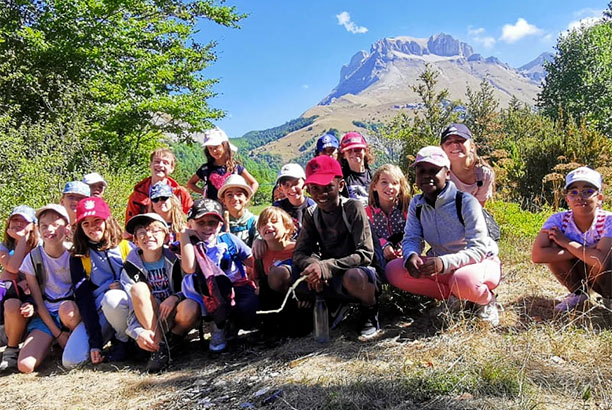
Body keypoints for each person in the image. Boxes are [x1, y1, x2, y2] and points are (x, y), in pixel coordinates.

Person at [385, 146, 502, 325]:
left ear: (447, 173)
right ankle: (457, 298)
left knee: (463, 279)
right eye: (421, 170)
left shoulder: (465, 202)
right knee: (394, 271)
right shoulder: (417, 204)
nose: (426, 175)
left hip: (480, 264)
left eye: (434, 170)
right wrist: (411, 255)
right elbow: (412, 238)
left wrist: (444, 263)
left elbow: (479, 249)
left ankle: (486, 300)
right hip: (442, 266)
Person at [293, 155, 382, 339]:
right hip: (332, 273)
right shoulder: (312, 214)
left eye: (328, 187)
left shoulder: (353, 208)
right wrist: (313, 265)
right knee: (284, 274)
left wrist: (326, 267)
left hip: (362, 271)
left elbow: (366, 253)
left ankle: (370, 311)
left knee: (353, 277)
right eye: (314, 189)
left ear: (340, 185)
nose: (320, 194)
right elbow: (299, 252)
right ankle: (330, 304)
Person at [2, 205, 77, 373]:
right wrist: (57, 334)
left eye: (56, 224)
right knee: (25, 366)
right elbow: (39, 302)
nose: (49, 229)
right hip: (47, 315)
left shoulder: (75, 254)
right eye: (44, 225)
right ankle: (57, 340)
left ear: (66, 228)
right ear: (39, 229)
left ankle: (73, 338)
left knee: (68, 312)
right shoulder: (33, 259)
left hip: (71, 312)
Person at [62, 197, 133, 368]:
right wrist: (95, 341)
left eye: (97, 221)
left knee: (113, 298)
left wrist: (122, 285)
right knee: (72, 360)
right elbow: (84, 299)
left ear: (107, 220)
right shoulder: (78, 256)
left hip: (126, 306)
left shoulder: (126, 247)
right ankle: (115, 340)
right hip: (99, 311)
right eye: (85, 223)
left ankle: (125, 342)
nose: (92, 227)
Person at [179, 199, 256, 352]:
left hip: (234, 287)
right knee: (213, 291)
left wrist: (257, 280)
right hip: (203, 292)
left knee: (248, 306)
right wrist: (184, 235)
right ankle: (217, 326)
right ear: (191, 224)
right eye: (201, 223)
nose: (207, 227)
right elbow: (189, 267)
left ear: (220, 225)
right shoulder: (189, 244)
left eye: (213, 223)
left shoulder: (228, 240)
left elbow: (253, 261)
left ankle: (231, 325)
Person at [532, 167, 612, 312]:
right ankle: (579, 293)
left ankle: (608, 297)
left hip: (605, 277)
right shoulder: (558, 220)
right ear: (567, 199)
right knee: (553, 245)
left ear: (599, 198)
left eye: (588, 192)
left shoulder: (608, 221)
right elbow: (538, 255)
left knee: (600, 258)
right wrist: (580, 250)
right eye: (573, 192)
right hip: (581, 266)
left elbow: (600, 261)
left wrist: (567, 243)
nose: (580, 197)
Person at [121, 213, 186, 373]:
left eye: (155, 231)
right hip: (148, 320)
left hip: (171, 316)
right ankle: (158, 349)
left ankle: (172, 341)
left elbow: (189, 289)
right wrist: (138, 332)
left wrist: (175, 297)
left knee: (190, 307)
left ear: (165, 237)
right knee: (138, 288)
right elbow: (131, 307)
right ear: (135, 240)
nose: (148, 235)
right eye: (141, 232)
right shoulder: (130, 268)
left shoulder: (176, 261)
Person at [0, 206, 39, 351]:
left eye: (24, 220)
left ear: (33, 226)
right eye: (15, 219)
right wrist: (21, 241)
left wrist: (23, 239)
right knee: (7, 278)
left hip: (36, 296)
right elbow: (13, 268)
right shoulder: (4, 247)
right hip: (12, 297)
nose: (18, 223)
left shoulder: (40, 247)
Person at [125, 148, 193, 225]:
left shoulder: (180, 193)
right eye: (157, 162)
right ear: (150, 165)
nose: (160, 165)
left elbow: (193, 218)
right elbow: (129, 226)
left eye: (165, 163)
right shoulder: (137, 196)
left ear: (172, 168)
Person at [187, 128, 259, 200]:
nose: (214, 151)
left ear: (224, 145)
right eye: (210, 148)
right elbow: (190, 184)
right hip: (212, 208)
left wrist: (247, 197)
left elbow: (254, 183)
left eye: (216, 147)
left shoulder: (235, 168)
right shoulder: (205, 169)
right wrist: (204, 192)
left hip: (232, 208)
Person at [440, 123, 494, 206]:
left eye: (460, 140)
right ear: (442, 149)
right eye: (448, 142)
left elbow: (478, 208)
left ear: (472, 146)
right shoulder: (438, 172)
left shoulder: (483, 174)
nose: (454, 144)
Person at [365, 164, 411, 261]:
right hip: (377, 260)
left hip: (404, 258)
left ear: (400, 187)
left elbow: (414, 234)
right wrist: (384, 246)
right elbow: (367, 238)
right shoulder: (367, 213)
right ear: (374, 186)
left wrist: (404, 248)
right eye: (384, 182)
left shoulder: (406, 210)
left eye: (394, 183)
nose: (389, 187)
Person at [217, 174, 258, 247]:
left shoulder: (255, 222)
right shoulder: (217, 224)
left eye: (239, 194)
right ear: (223, 200)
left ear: (246, 198)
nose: (235, 198)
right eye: (229, 195)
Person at [148, 182, 186, 250]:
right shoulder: (147, 228)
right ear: (152, 205)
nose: (160, 202)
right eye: (155, 199)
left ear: (172, 200)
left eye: (164, 198)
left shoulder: (184, 226)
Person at [339, 132, 374, 206]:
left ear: (365, 151)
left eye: (357, 149)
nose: (354, 153)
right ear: (343, 155)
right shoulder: (340, 180)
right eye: (349, 150)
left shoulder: (374, 177)